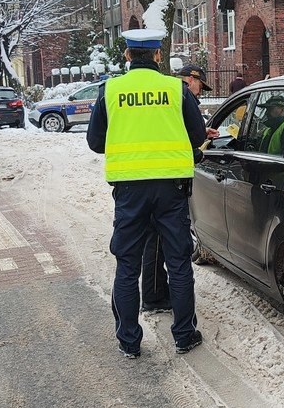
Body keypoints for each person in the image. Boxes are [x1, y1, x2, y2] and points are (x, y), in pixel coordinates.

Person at [86, 29, 208, 359]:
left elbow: (95, 142)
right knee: (179, 263)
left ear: (127, 55)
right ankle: (184, 334)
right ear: (157, 56)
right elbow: (197, 135)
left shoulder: (110, 90)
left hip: (129, 191)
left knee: (127, 265)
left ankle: (129, 341)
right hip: (171, 189)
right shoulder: (175, 89)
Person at [141, 64, 219, 313]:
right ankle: (183, 323)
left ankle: (153, 297)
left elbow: (164, 133)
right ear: (189, 80)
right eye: (199, 86)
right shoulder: (180, 94)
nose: (200, 93)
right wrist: (198, 151)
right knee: (177, 251)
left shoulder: (161, 95)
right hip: (170, 181)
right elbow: (189, 142)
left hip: (142, 179)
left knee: (153, 242)